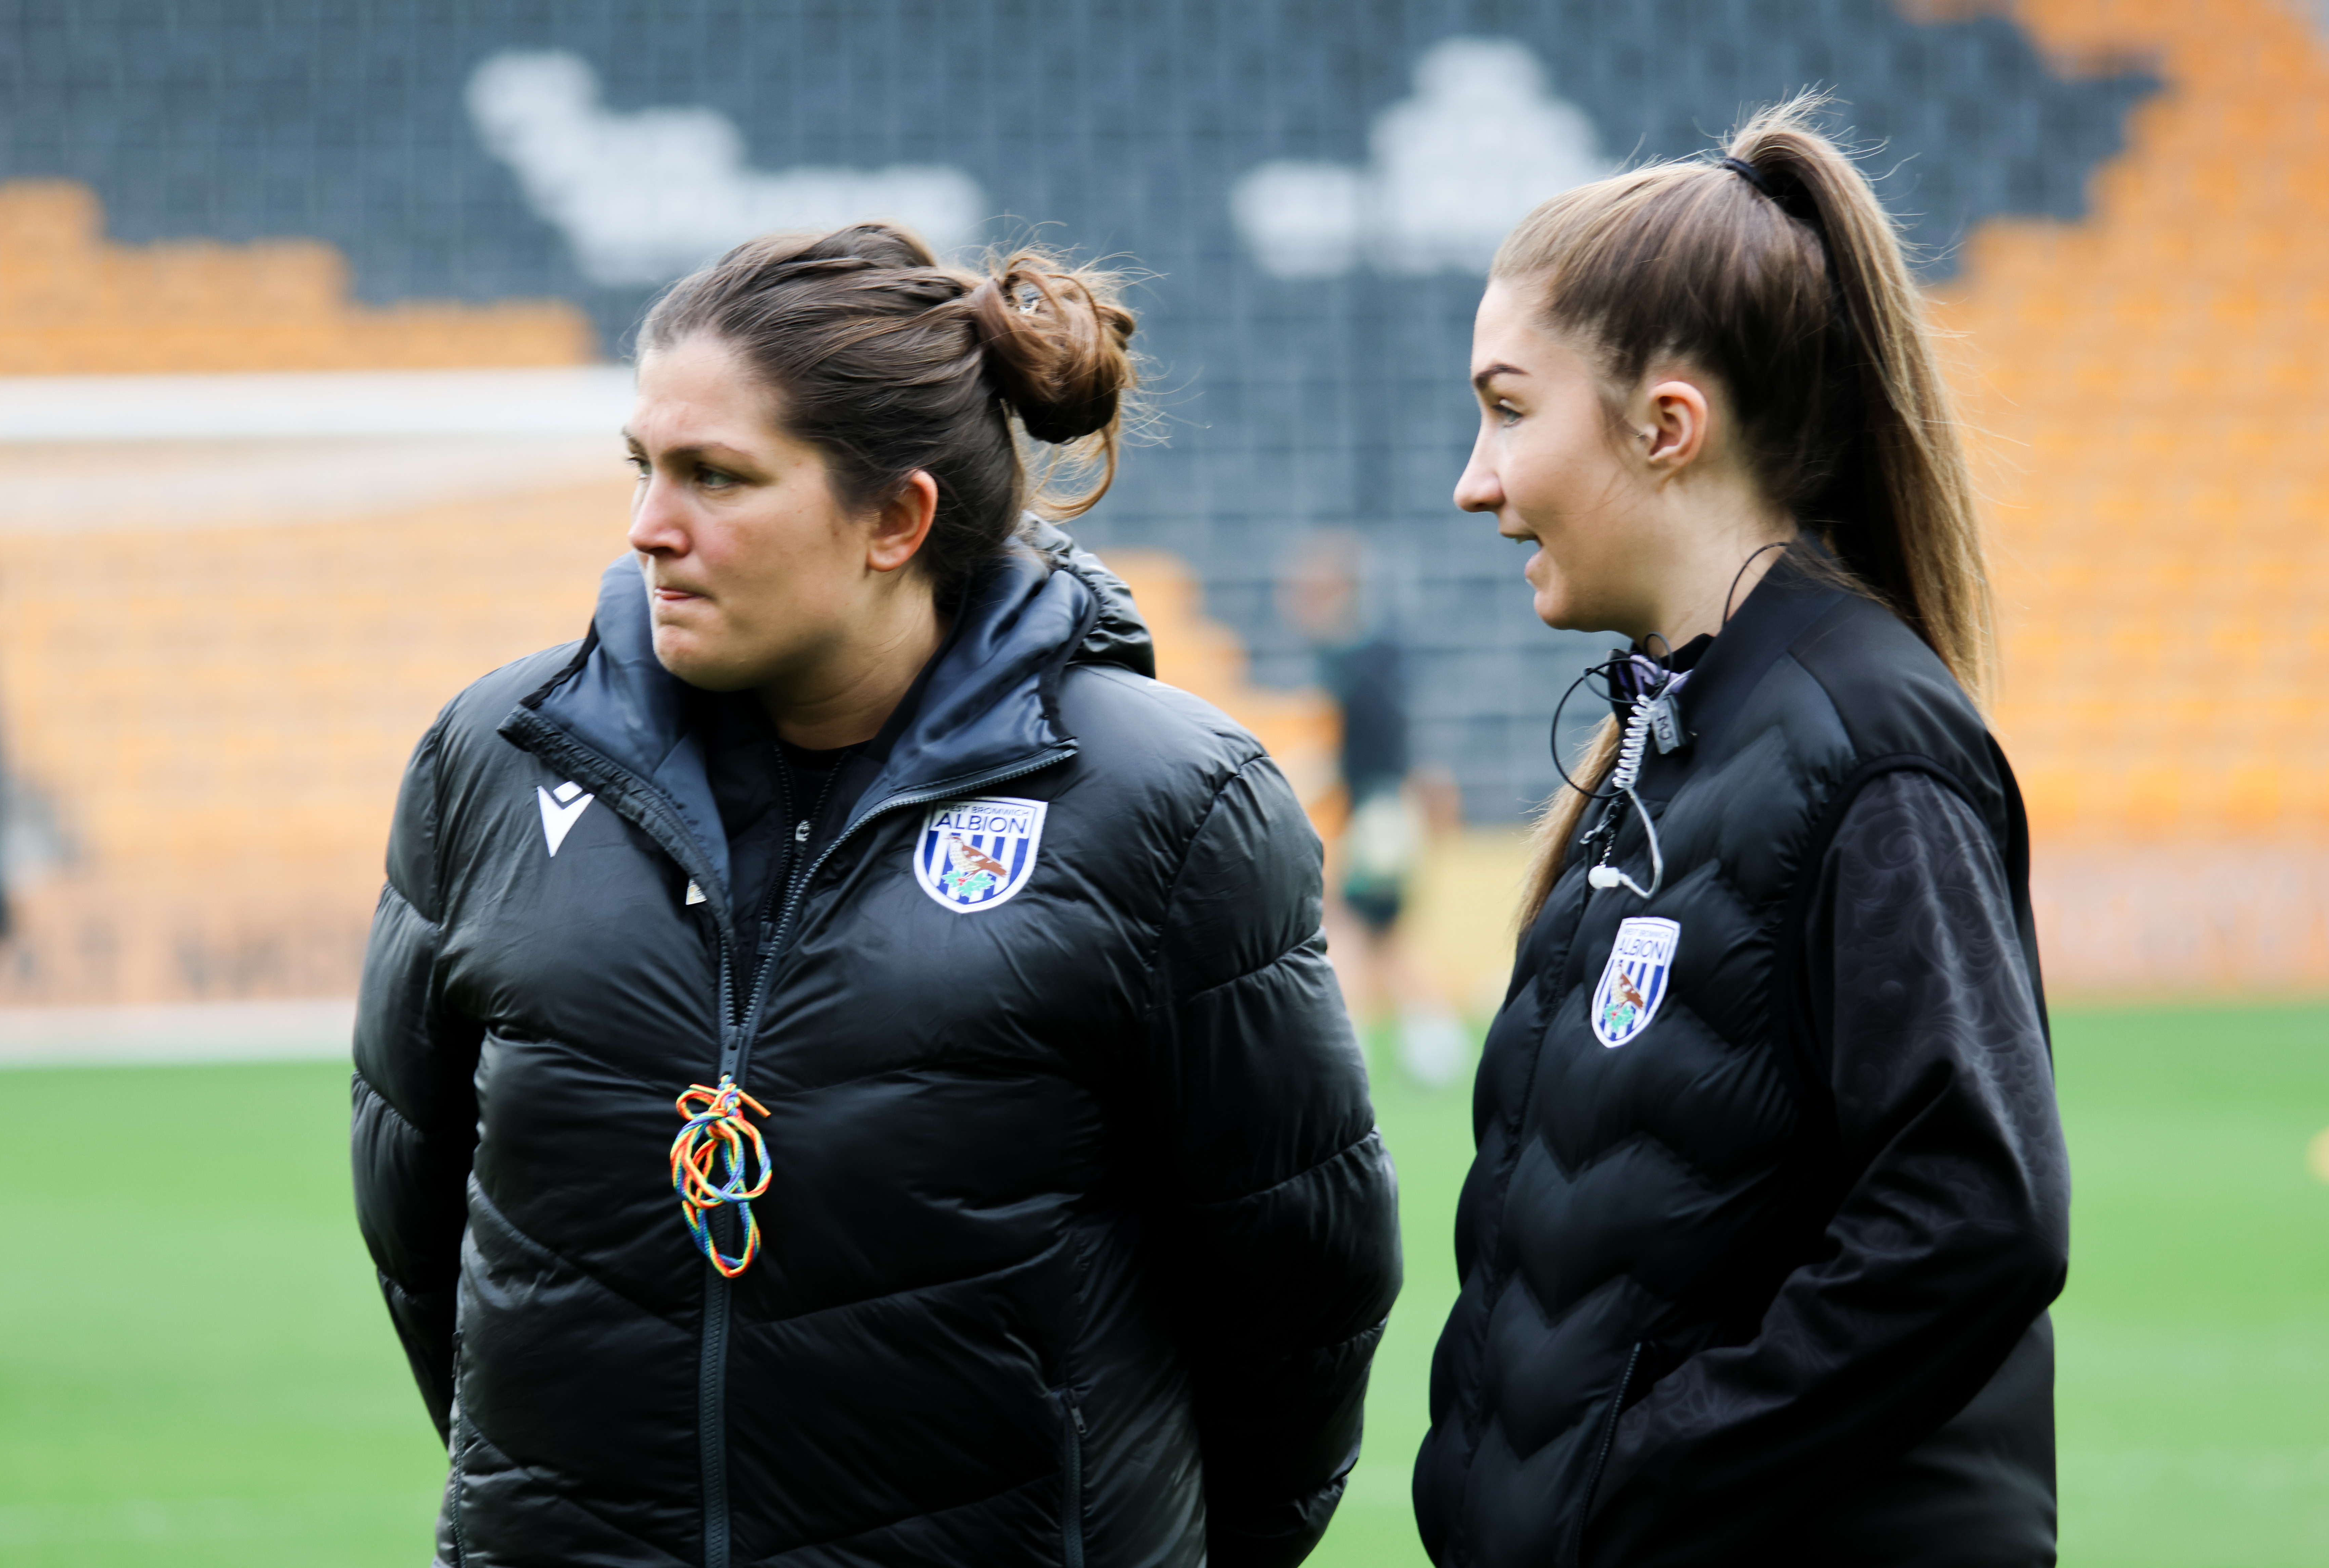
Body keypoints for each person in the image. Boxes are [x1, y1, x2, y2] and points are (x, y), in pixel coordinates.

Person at [352, 224, 1401, 1568]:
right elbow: (416, 1219)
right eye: (644, 466)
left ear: (896, 521)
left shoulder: (1167, 802)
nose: (647, 528)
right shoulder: (492, 761)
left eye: (715, 476)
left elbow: (1299, 1293)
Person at [1412, 97, 2070, 1567]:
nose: (1476, 479)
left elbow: (1974, 1214)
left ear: (1667, 426)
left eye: (1509, 408)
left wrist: (1637, 1483)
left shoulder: (1871, 745)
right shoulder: (1660, 743)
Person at [1281, 532, 1464, 1084]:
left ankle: (1354, 1042)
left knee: (1354, 925)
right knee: (1385, 933)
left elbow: (1358, 752)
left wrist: (1304, 774)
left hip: (1380, 816)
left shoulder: (1353, 659)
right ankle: (1432, 1044)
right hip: (1384, 813)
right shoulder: (1370, 655)